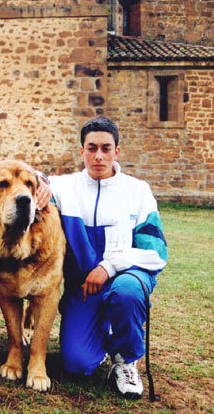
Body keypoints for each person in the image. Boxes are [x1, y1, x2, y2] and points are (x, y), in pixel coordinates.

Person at [37, 116, 168, 399]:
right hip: (84, 289)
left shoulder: (138, 191)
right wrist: (41, 182)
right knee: (77, 364)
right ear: (82, 150)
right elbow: (36, 178)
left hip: (125, 279)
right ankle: (101, 332)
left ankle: (125, 358)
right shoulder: (63, 187)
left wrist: (109, 267)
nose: (99, 156)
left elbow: (156, 254)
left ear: (117, 152)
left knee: (127, 291)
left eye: (106, 148)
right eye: (92, 148)